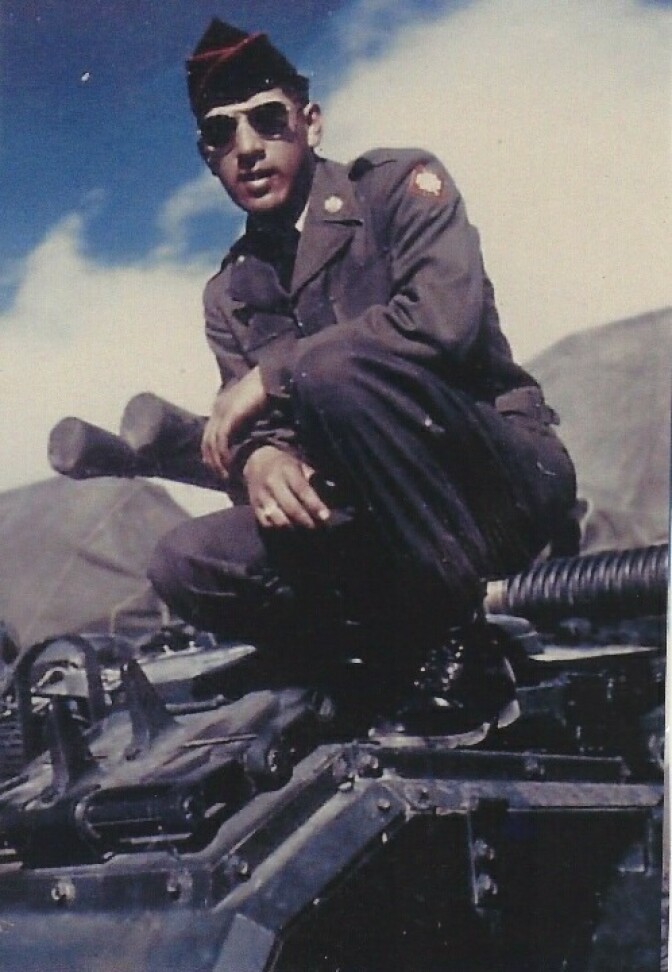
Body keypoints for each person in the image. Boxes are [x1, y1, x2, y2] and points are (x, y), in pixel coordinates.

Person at [148, 18, 577, 742]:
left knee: (328, 369)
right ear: (208, 157)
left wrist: (275, 373)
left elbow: (442, 322)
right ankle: (368, 660)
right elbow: (263, 429)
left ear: (310, 123)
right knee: (185, 561)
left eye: (267, 119)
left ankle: (464, 648)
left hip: (494, 484)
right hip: (378, 522)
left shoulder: (397, 189)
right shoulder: (230, 292)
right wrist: (259, 457)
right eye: (222, 134)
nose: (247, 147)